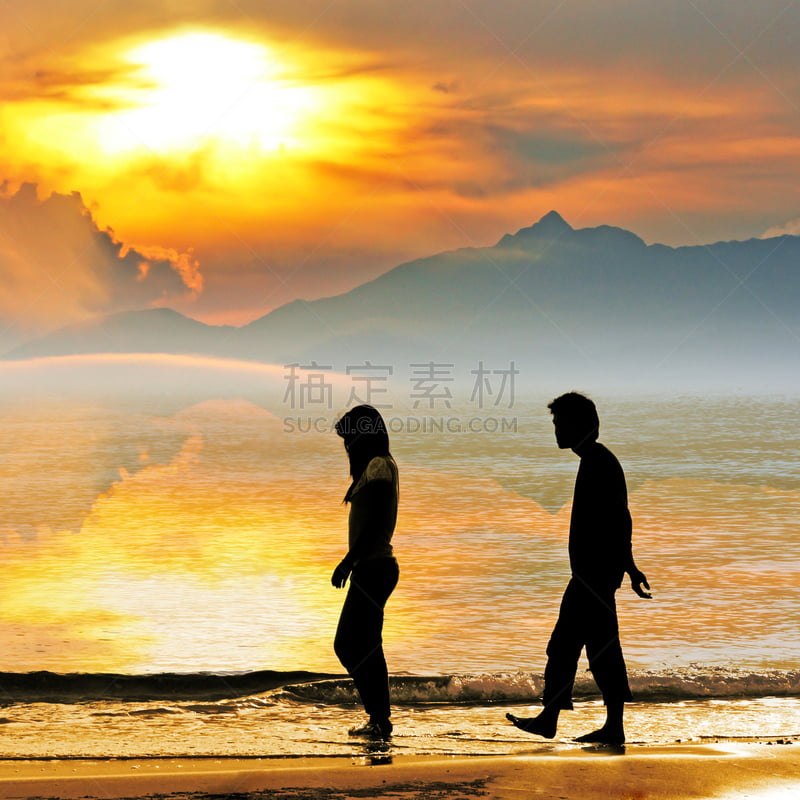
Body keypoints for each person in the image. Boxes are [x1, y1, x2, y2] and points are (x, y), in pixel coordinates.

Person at [507, 392, 650, 745]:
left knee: (572, 647)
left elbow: (620, 518)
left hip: (593, 576)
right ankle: (587, 722)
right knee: (591, 648)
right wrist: (628, 567)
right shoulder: (594, 460)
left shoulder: (599, 462)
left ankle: (557, 719)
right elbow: (621, 519)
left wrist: (628, 566)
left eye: (559, 424)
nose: (555, 431)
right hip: (593, 575)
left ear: (577, 425)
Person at [332, 405, 400, 739]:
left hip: (374, 568)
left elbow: (373, 525)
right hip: (371, 568)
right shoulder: (377, 467)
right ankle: (378, 718)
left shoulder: (378, 466)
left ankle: (380, 718)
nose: (347, 446)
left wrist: (347, 560)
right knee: (363, 645)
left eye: (349, 438)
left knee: (349, 644)